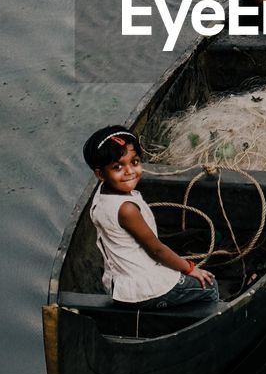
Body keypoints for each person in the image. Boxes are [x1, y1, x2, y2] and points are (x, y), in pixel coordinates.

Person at [82, 125, 219, 308]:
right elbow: (157, 251)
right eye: (118, 167)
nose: (129, 171)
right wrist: (190, 268)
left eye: (135, 162)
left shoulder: (102, 195)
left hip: (120, 285)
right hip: (144, 288)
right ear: (100, 174)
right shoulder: (127, 210)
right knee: (209, 285)